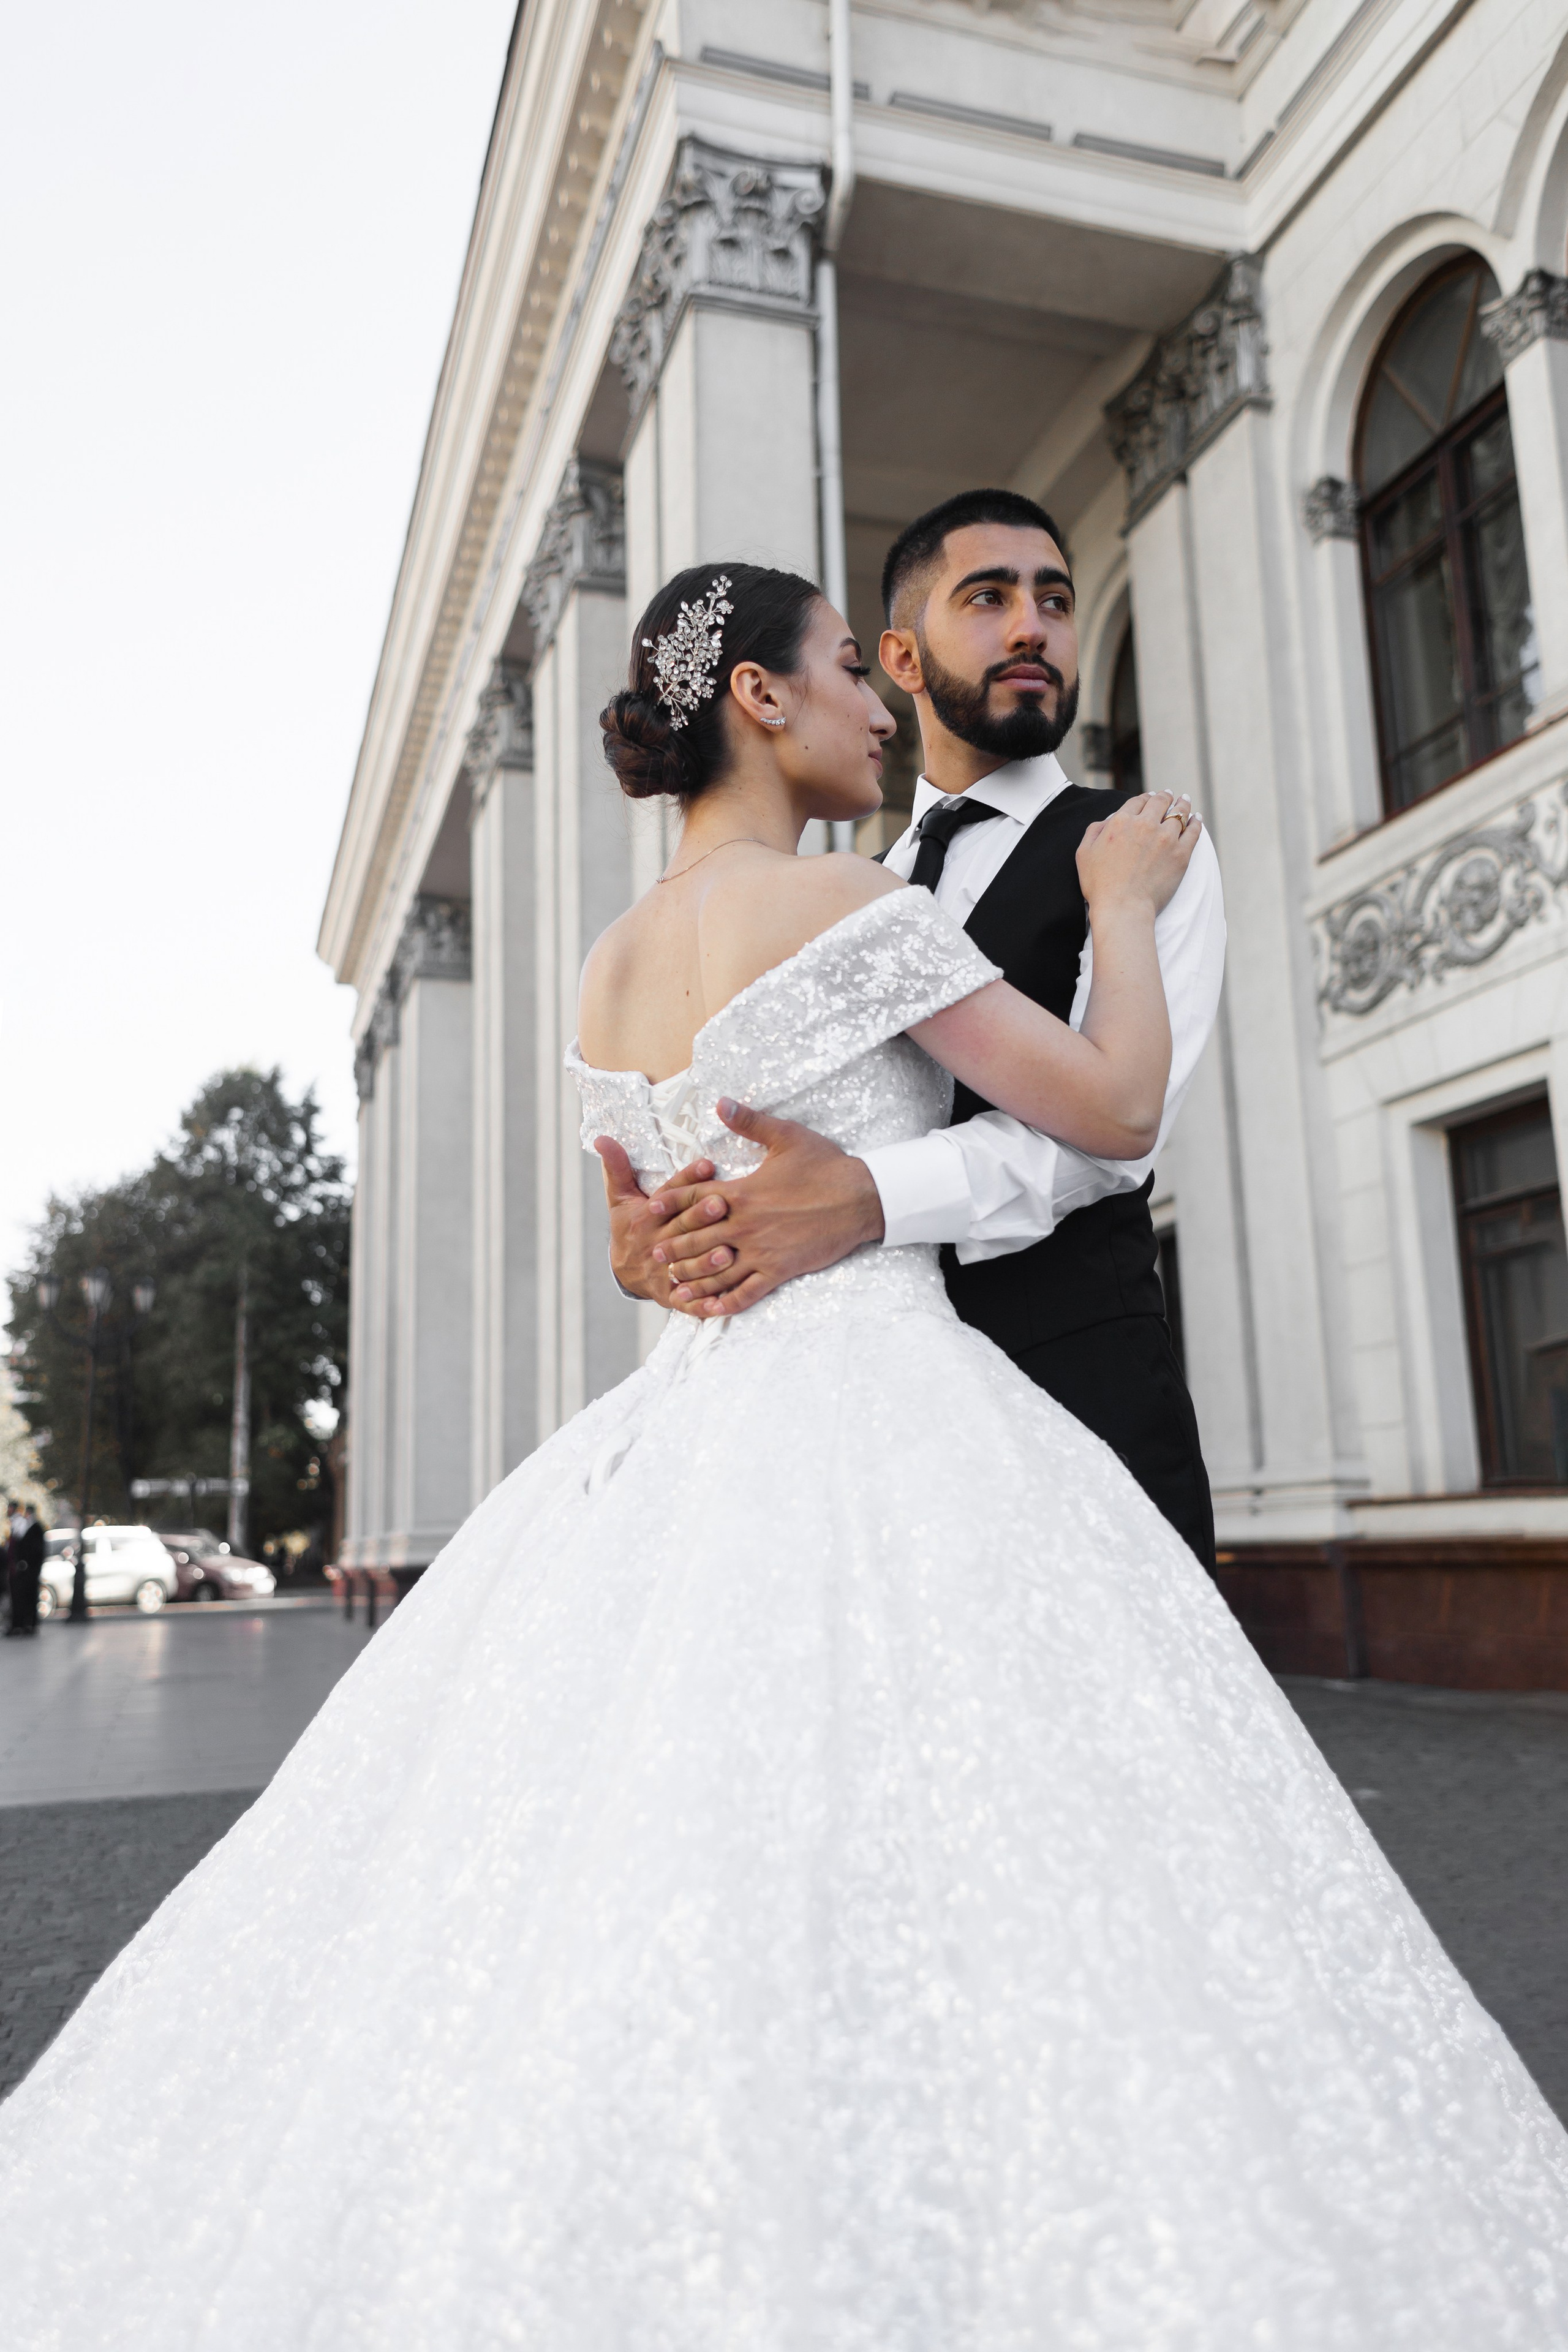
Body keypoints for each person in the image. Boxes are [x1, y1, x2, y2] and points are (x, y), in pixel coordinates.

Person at [2, 563, 1566, 2348]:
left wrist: (641, 1249)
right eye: (846, 669)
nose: (877, 707)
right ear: (758, 696)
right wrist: (1119, 896)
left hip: (675, 1435)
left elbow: (652, 1236)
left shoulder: (604, 966)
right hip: (887, 1404)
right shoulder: (850, 903)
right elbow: (1118, 1106)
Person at [605, 490, 1224, 1566]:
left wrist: (868, 1201)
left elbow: (1114, 1143)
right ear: (897, 654)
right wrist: (661, 1246)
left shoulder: (1139, 847)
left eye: (1058, 600)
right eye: (988, 598)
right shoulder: (856, 889)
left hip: (1082, 1390)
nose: (1033, 626)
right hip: (843, 1439)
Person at [4, 1501, 43, 1637]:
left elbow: (28, 1549)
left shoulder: (31, 1527)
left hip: (27, 1571)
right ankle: (22, 1624)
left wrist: (23, 1564)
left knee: (24, 1598)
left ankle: (25, 1624)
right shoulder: (26, 1526)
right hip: (22, 1570)